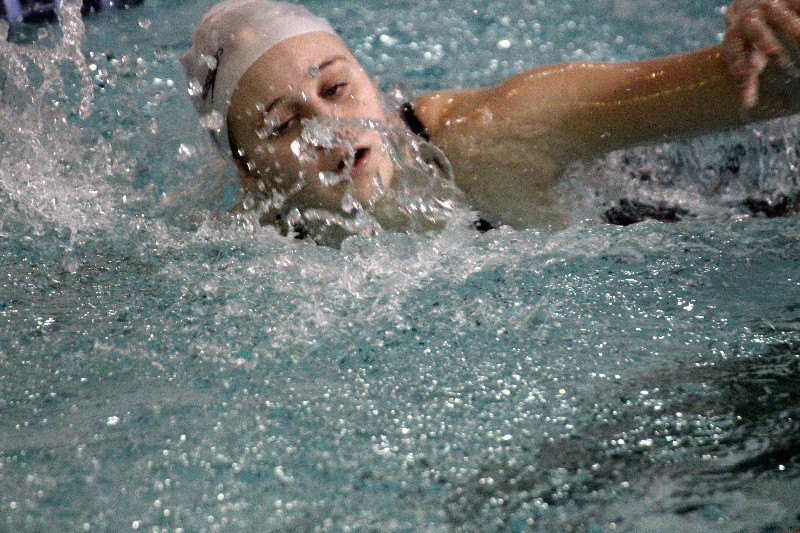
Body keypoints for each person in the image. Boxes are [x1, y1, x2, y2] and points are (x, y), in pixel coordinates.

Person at [181, 0, 800, 237]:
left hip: (736, 190)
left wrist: (772, 38)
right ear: (249, 174)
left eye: (337, 88)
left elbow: (763, 89)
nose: (331, 128)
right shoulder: (248, 240)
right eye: (283, 126)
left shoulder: (494, 134)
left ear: (373, 84)